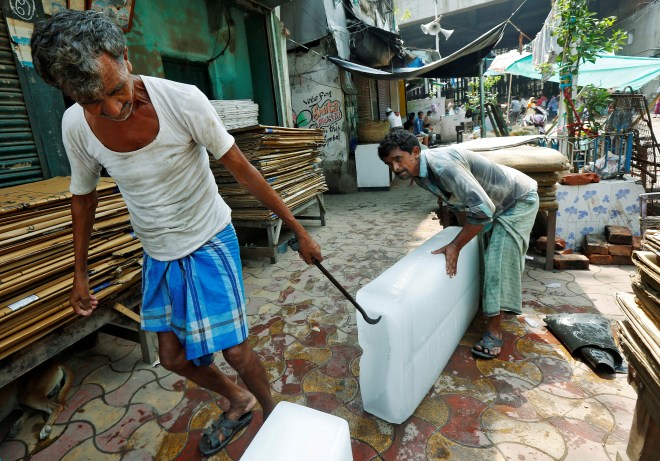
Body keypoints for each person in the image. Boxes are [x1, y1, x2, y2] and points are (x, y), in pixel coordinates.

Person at [31, 10, 323, 456]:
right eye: (92, 102)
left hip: (208, 237)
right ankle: (239, 400)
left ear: (125, 56)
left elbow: (243, 170)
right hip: (158, 253)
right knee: (171, 358)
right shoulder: (75, 126)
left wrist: (298, 229)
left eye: (115, 91)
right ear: (68, 94)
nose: (112, 109)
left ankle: (274, 416)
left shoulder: (182, 101)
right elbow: (83, 199)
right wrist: (80, 273)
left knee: (238, 353)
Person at [376, 130, 538, 360]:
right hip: (495, 201)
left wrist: (456, 245)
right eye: (389, 164)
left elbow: (482, 211)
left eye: (397, 159)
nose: (395, 168)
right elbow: (460, 203)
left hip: (517, 200)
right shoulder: (420, 173)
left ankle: (494, 332)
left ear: (415, 151)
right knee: (483, 252)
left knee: (497, 261)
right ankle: (494, 304)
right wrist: (464, 239)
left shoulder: (443, 166)